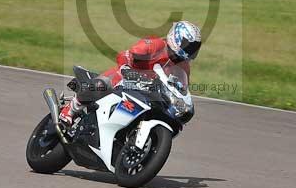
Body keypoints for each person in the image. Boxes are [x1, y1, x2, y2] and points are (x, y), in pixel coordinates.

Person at [59, 20, 202, 126]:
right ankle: (70, 109)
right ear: (176, 37)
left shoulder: (183, 66)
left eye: (194, 47)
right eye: (188, 45)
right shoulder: (156, 44)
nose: (190, 50)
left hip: (148, 95)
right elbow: (127, 55)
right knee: (101, 84)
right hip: (124, 79)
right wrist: (128, 68)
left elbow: (181, 89)